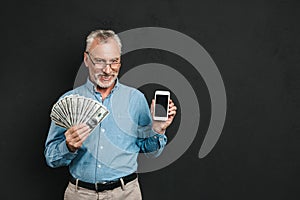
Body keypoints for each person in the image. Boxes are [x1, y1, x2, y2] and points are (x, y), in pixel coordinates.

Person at [44, 29, 177, 200]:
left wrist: (157, 130)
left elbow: (151, 152)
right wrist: (68, 147)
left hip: (126, 194)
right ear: (86, 59)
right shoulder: (69, 100)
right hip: (80, 195)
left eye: (114, 61)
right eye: (100, 61)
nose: (108, 70)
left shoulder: (135, 98)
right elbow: (51, 158)